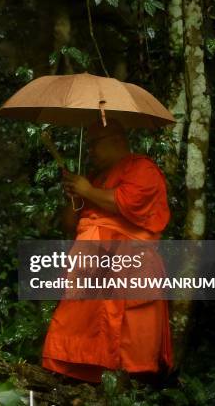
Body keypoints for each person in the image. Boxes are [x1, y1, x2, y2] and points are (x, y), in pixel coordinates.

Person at [41, 118, 173, 383]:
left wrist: (88, 190)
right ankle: (78, 382)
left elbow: (128, 204)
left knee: (130, 342)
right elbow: (71, 223)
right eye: (88, 145)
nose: (90, 151)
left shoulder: (142, 169)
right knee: (76, 328)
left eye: (94, 145)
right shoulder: (94, 178)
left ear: (116, 140)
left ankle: (129, 391)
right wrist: (75, 194)